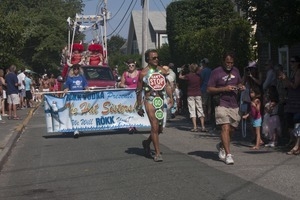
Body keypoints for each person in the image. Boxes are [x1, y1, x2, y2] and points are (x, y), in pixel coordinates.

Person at [207, 52, 245, 165]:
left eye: (232, 63)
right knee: (225, 127)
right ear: (223, 61)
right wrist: (224, 89)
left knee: (232, 129)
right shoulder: (216, 72)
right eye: (228, 62)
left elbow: (239, 83)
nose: (230, 65)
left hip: (234, 104)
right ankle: (228, 155)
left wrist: (240, 87)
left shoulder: (236, 71)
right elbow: (209, 89)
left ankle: (222, 146)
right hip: (221, 103)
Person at [135, 49, 173, 162]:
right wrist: (139, 106)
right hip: (149, 100)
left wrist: (171, 97)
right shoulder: (143, 73)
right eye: (154, 58)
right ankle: (157, 153)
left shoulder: (162, 71)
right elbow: (138, 90)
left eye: (157, 57)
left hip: (160, 101)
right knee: (154, 126)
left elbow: (166, 85)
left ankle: (147, 143)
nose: (157, 60)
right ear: (148, 60)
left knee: (160, 129)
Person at [278, 56, 300, 153]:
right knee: (289, 119)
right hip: (291, 99)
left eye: (293, 62)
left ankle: (296, 146)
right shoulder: (292, 72)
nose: (291, 64)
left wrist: (286, 78)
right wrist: (284, 79)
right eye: (290, 62)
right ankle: (294, 142)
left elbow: (295, 85)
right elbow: (288, 85)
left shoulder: (299, 72)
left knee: (297, 120)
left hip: (297, 100)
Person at [179, 63, 208, 132]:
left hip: (190, 94)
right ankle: (203, 126)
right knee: (200, 109)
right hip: (198, 93)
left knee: (192, 110)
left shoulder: (188, 76)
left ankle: (195, 127)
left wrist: (181, 70)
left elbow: (180, 77)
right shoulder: (199, 76)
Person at [64, 64, 89, 138]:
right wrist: (66, 90)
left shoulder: (82, 77)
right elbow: (67, 87)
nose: (76, 70)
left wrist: (87, 89)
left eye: (77, 68)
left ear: (79, 69)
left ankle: (80, 126)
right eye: (74, 69)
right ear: (72, 70)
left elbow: (85, 86)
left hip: (81, 98)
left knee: (80, 113)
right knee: (74, 113)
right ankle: (76, 129)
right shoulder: (69, 78)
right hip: (73, 98)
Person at [119, 59, 140, 134]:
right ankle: (131, 126)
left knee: (137, 109)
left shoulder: (139, 73)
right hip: (128, 95)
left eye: (132, 65)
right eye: (129, 65)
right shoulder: (125, 74)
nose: (131, 67)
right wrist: (124, 86)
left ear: (135, 66)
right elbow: (121, 84)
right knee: (130, 110)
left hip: (138, 94)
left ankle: (135, 125)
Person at [199, 58, 212, 124]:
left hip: (203, 88)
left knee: (203, 104)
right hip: (210, 89)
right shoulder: (211, 71)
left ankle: (205, 117)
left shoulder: (203, 71)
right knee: (209, 104)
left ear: (203, 63)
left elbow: (201, 79)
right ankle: (209, 117)